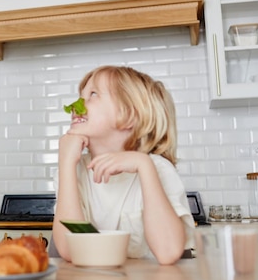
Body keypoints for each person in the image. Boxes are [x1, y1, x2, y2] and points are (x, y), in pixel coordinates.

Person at [51, 66, 194, 265]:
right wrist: (66, 164)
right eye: (80, 95)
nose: (77, 103)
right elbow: (69, 250)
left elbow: (168, 252)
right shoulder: (72, 171)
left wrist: (143, 165)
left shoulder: (157, 169)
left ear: (128, 116)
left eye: (93, 94)